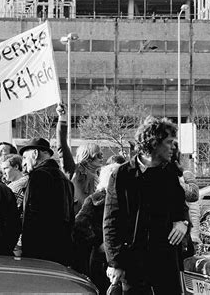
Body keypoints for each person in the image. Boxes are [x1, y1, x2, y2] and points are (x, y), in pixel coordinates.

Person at [103, 116, 189, 294]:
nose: (174, 146)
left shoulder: (170, 173)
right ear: (153, 143)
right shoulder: (122, 174)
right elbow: (111, 221)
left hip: (165, 261)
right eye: (169, 142)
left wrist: (182, 222)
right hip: (133, 262)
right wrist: (115, 262)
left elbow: (180, 208)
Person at [20, 137, 75, 265]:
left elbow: (31, 217)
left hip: (39, 252)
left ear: (35, 154)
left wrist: (27, 250)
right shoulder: (65, 180)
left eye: (24, 158)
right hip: (61, 250)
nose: (23, 163)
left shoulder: (38, 176)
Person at [73, 162, 122, 295]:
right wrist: (98, 243)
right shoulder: (96, 199)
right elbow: (79, 224)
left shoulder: (122, 198)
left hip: (114, 254)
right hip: (101, 257)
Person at [72, 143, 103, 214]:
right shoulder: (78, 172)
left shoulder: (101, 174)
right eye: (98, 155)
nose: (101, 158)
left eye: (102, 155)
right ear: (88, 158)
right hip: (80, 216)